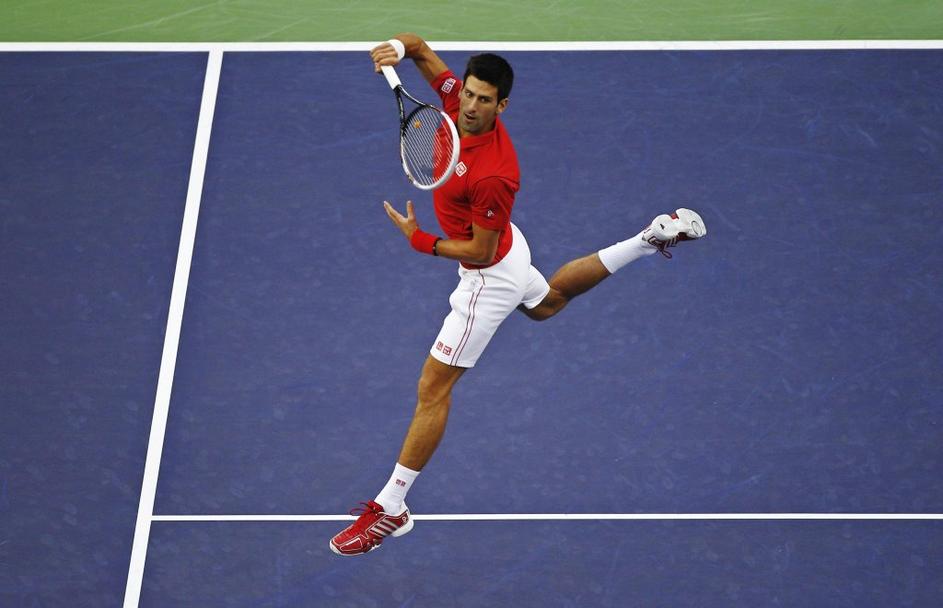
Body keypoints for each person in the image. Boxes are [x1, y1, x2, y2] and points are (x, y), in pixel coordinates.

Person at [330, 33, 706, 556]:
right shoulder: (454, 102)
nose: (470, 106)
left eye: (484, 100)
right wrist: (395, 46)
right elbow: (420, 49)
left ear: (501, 106)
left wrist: (421, 241)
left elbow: (479, 252)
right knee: (547, 303)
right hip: (512, 248)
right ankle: (648, 239)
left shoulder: (495, 173)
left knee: (433, 388)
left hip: (488, 274)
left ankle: (392, 506)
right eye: (468, 93)